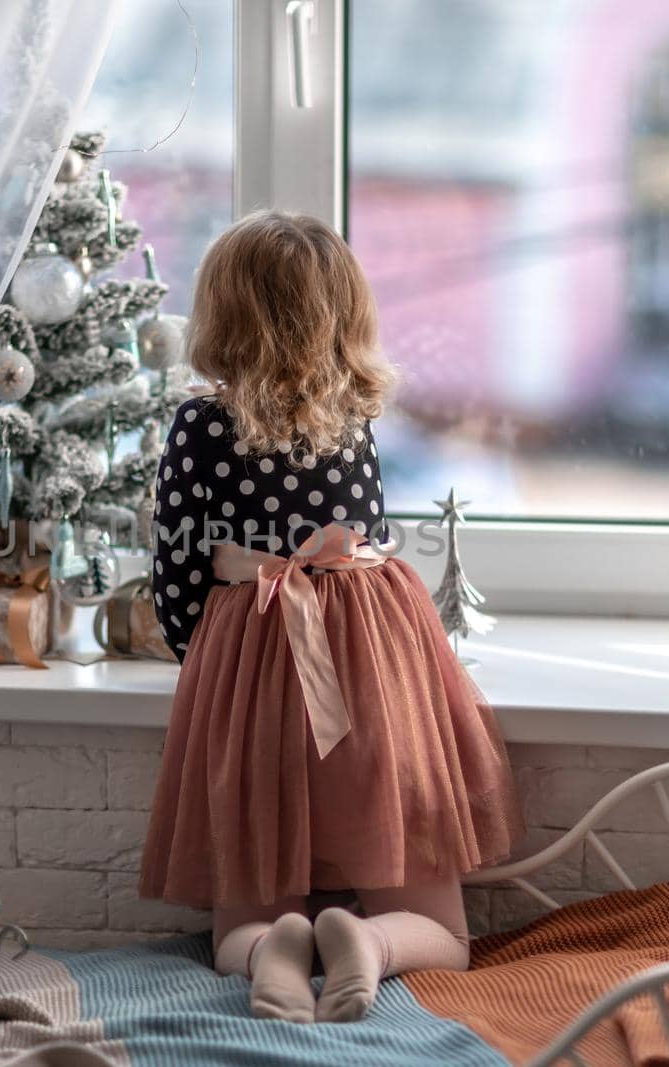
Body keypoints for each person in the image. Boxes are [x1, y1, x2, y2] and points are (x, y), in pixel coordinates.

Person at [138, 211, 521, 1023]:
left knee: (234, 924)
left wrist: (203, 660)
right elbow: (364, 539)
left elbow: (175, 569)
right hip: (373, 666)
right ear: (344, 315)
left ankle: (275, 943)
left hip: (257, 669)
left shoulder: (200, 425)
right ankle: (373, 942)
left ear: (220, 314)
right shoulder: (357, 419)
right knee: (444, 932)